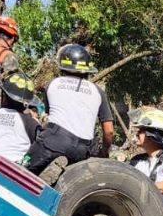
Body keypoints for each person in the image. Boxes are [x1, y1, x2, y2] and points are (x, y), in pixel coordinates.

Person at [25, 44, 114, 174]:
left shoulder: (53, 84)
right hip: (82, 150)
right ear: (87, 70)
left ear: (63, 67)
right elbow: (109, 131)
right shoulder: (98, 91)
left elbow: (50, 117)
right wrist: (104, 151)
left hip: (53, 141)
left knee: (23, 174)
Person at [0, 74, 42, 164]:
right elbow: (38, 151)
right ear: (27, 103)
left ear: (4, 95)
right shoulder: (31, 124)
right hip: (13, 171)